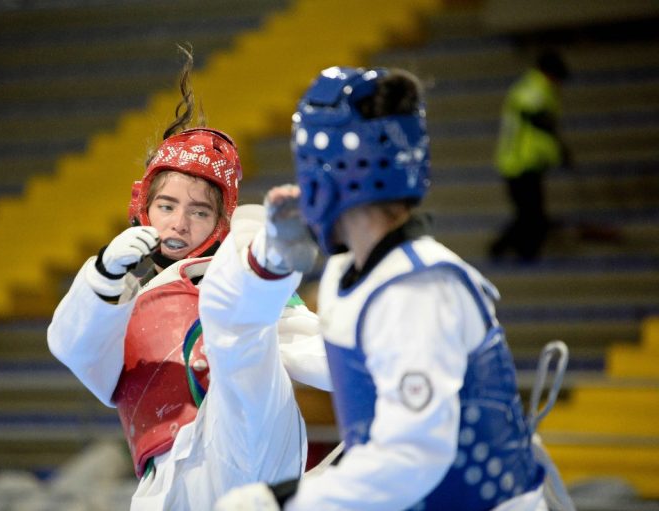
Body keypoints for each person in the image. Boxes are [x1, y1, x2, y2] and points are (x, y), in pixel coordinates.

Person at [214, 66, 556, 510]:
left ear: (324, 175)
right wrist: (266, 290)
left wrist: (284, 501)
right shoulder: (346, 277)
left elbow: (412, 457)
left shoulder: (419, 291)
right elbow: (362, 377)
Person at [47, 46, 330, 510]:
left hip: (254, 439)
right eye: (166, 207)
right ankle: (270, 255)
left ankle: (273, 254)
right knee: (238, 309)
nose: (179, 224)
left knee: (240, 320)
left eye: (199, 211)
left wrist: (382, 365)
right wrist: (103, 276)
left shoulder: (227, 282)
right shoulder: (119, 306)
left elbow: (310, 347)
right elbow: (72, 347)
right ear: (142, 207)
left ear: (220, 222)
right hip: (173, 477)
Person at [490, 50, 571, 262]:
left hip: (531, 162)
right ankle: (517, 250)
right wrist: (558, 143)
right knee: (530, 213)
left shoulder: (542, 88)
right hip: (518, 162)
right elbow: (531, 112)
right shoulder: (532, 86)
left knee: (530, 212)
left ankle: (514, 249)